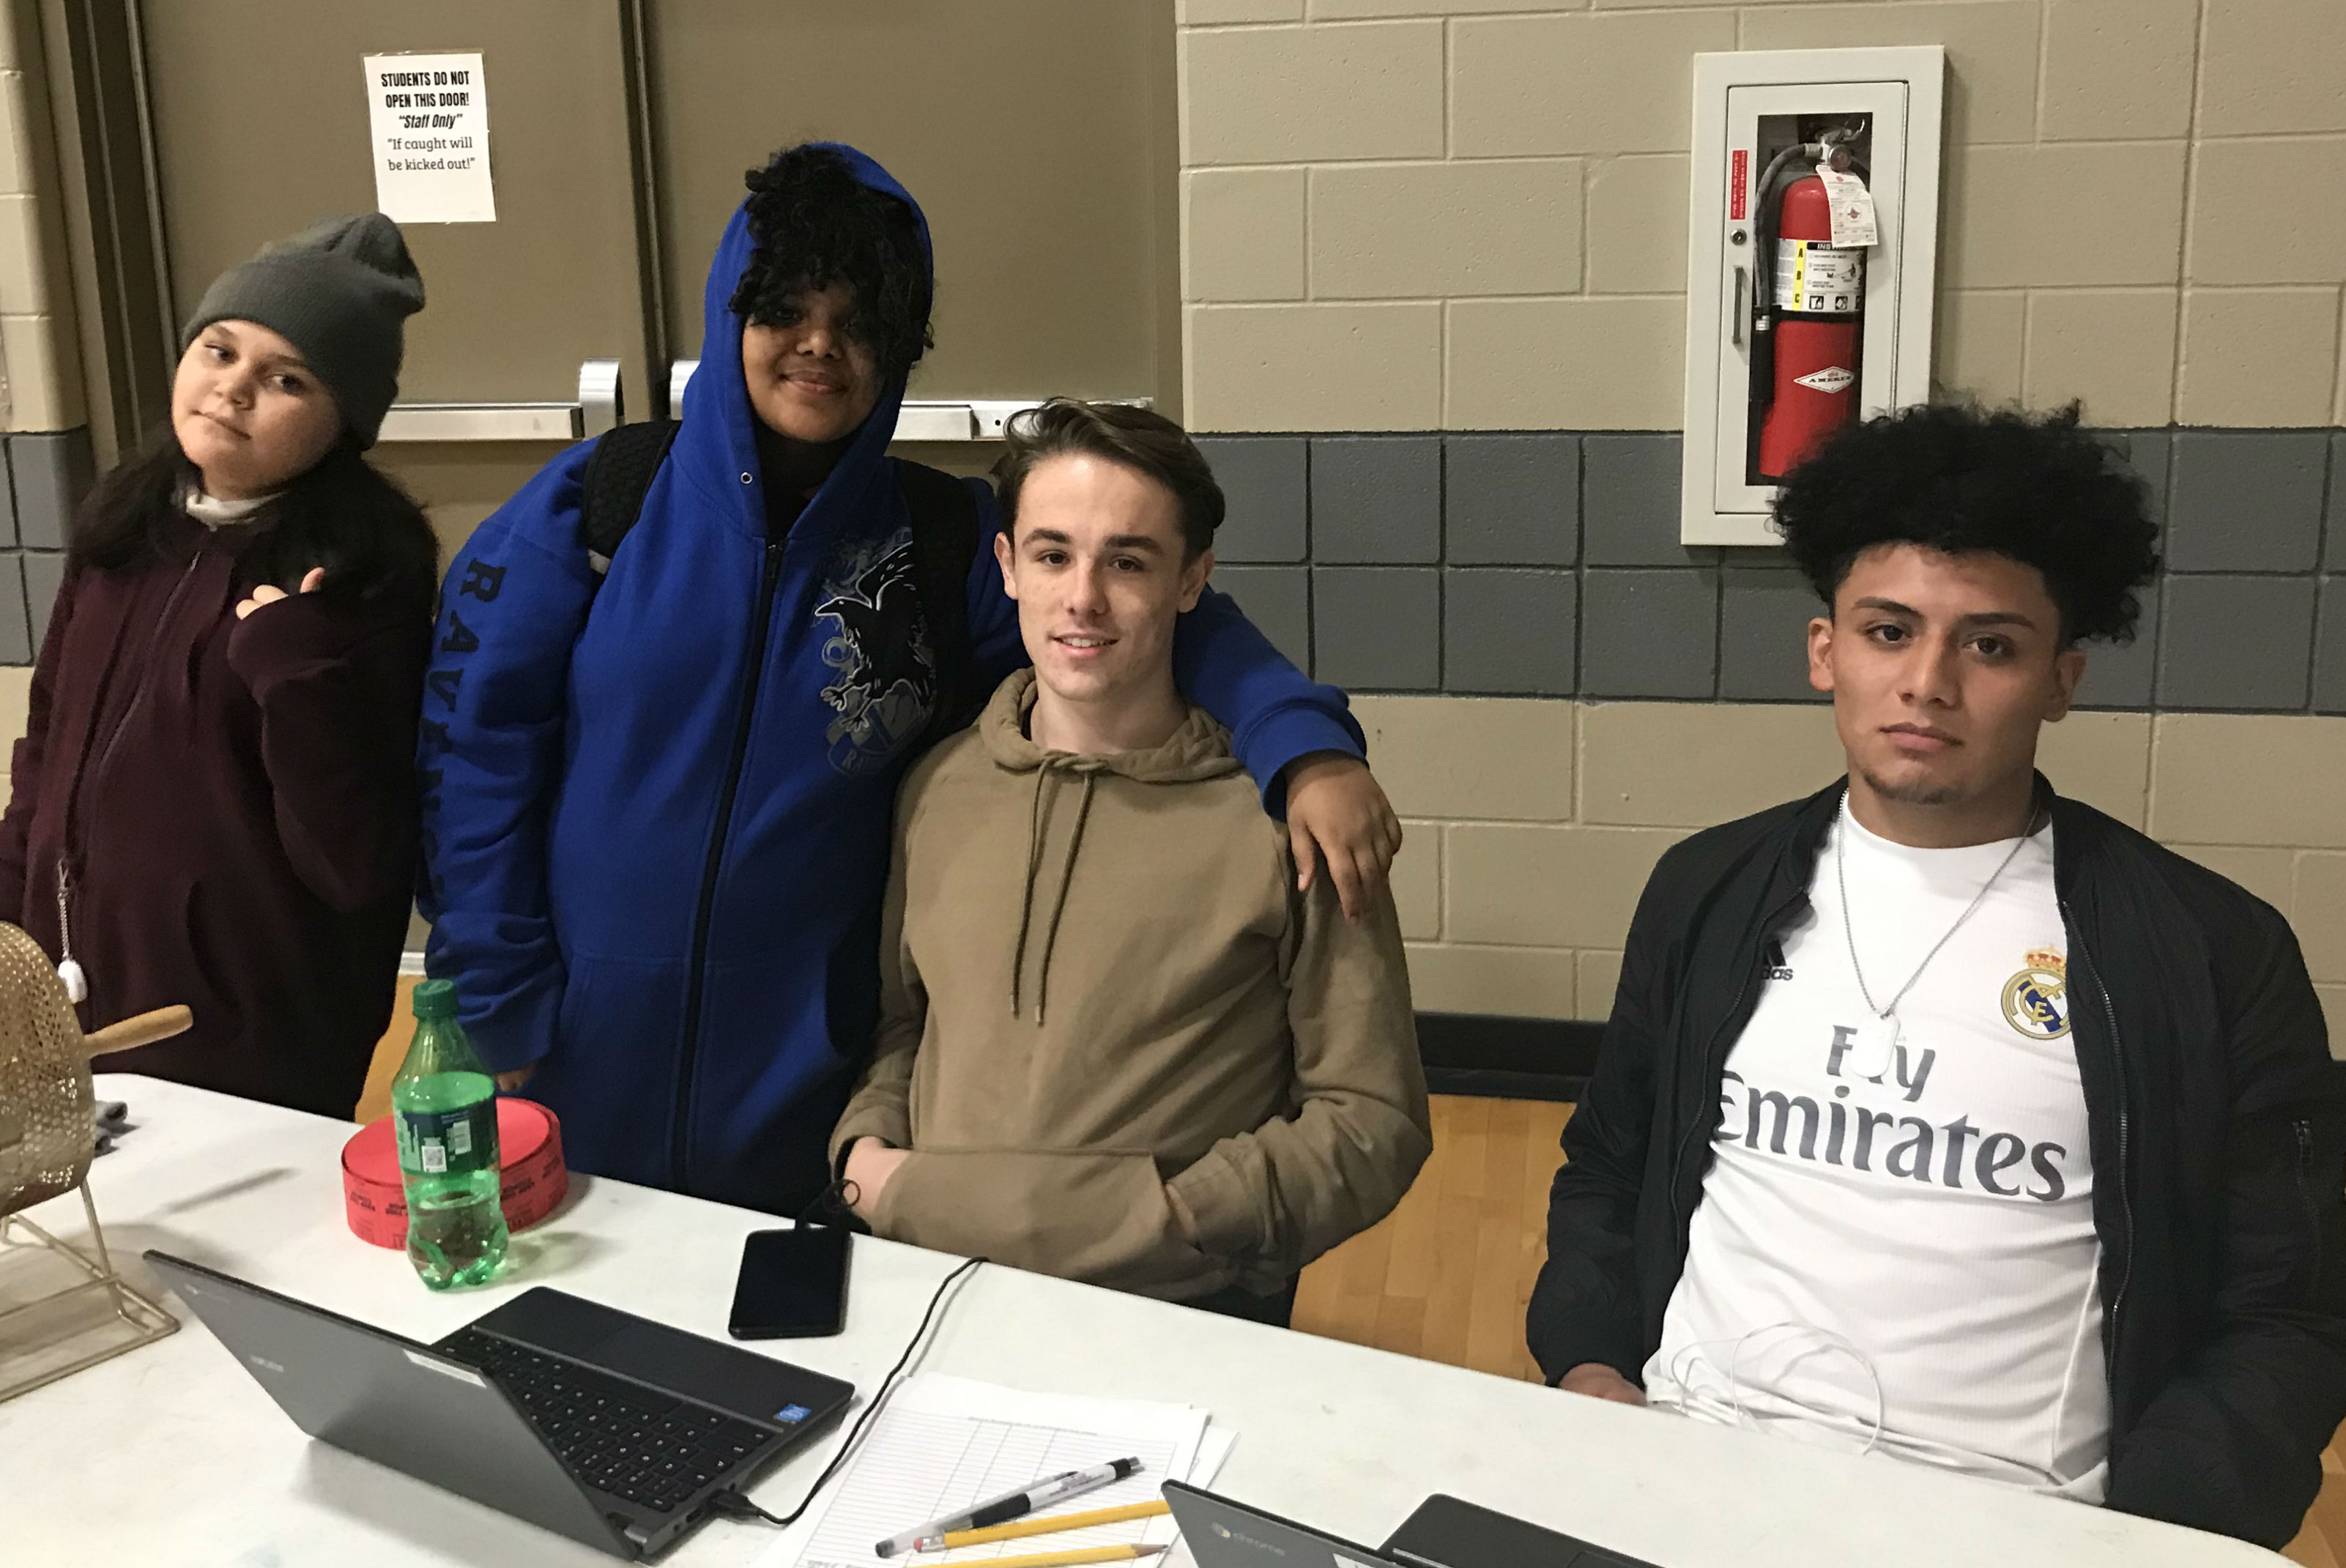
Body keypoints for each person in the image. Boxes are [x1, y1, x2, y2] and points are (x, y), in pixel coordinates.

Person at [421, 144, 1400, 1218]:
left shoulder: (940, 543)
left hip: (806, 1076)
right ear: (728, 313)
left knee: (783, 1356)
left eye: (859, 322)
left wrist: (1302, 748)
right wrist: (499, 995)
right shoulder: (599, 505)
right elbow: (473, 755)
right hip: (568, 1048)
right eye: (785, 309)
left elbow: (1151, 614)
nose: (819, 346)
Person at [1526, 401, 2346, 1548]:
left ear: (2059, 680)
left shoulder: (2209, 951)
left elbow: (2286, 1310)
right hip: (1686, 1471)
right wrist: (1584, 1364)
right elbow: (1609, 1167)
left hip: (2012, 1531)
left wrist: (2149, 1539)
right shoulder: (1706, 890)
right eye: (1886, 630)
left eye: (1990, 644)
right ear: (1824, 651)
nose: (1927, 681)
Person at [826, 401, 1429, 1322]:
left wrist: (1187, 1217)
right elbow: (908, 1026)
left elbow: (1372, 1118)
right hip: (937, 1292)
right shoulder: (939, 787)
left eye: (1128, 561)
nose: (1083, 598)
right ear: (1008, 569)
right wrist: (866, 1159)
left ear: (1193, 581)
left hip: (1178, 1312)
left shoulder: (1289, 819)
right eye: (1053, 554)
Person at [0, 215, 436, 1118]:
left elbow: (358, 864)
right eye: (218, 350)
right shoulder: (127, 526)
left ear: (341, 423)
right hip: (74, 986)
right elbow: (47, 747)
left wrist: (293, 671)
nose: (231, 390)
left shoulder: (361, 574)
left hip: (243, 1029)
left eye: (285, 379)